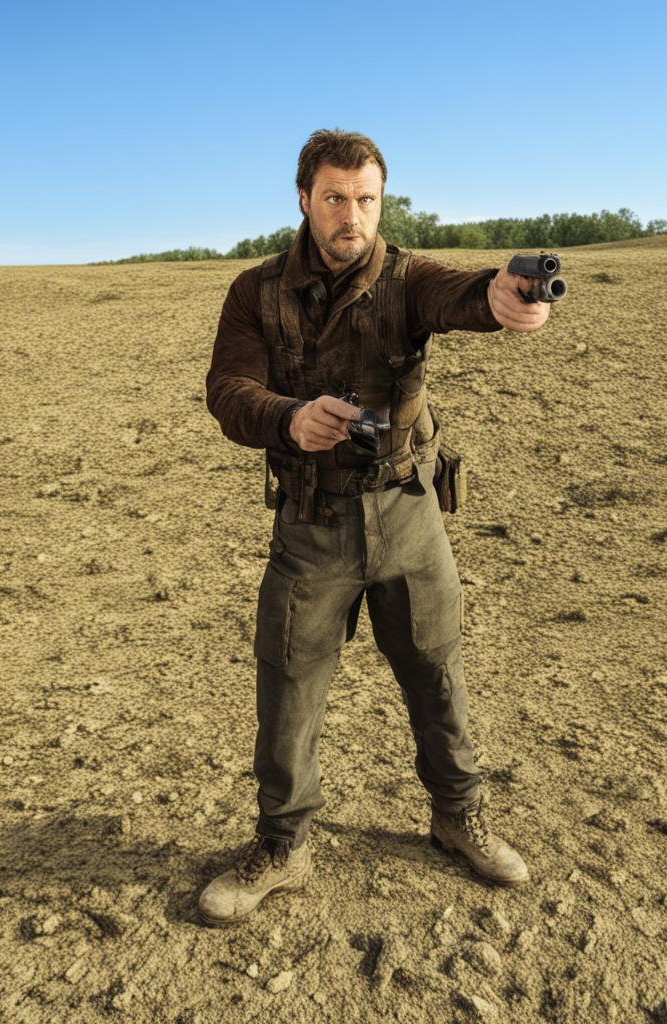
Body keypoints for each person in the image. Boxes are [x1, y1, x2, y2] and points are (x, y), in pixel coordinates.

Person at [199, 129, 551, 926]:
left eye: (365, 198)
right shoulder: (254, 291)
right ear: (303, 199)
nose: (350, 215)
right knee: (288, 682)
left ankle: (456, 816)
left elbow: (459, 295)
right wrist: (290, 420)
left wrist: (502, 297)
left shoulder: (406, 278)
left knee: (435, 668)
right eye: (334, 197)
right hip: (311, 520)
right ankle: (283, 846)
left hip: (407, 513)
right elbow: (227, 390)